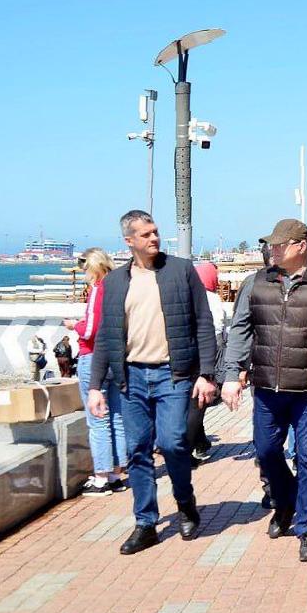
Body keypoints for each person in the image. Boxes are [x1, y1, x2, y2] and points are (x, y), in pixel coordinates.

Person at [88, 210, 218, 555]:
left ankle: (185, 504)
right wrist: (95, 386)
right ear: (129, 241)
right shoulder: (115, 282)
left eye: (155, 232)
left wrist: (207, 374)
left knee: (174, 442)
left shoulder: (180, 271)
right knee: (138, 451)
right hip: (130, 378)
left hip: (172, 375)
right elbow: (105, 335)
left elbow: (203, 322)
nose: (154, 239)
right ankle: (145, 523)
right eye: (145, 235)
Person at [220, 218, 307, 562]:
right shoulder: (257, 282)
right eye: (270, 244)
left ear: (300, 246)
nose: (272, 249)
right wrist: (232, 373)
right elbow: (240, 328)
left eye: (279, 244)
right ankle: (286, 502)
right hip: (267, 386)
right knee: (267, 451)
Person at [64, 248, 127, 496]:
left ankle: (101, 477)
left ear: (92, 268)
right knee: (117, 418)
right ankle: (116, 473)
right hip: (116, 358)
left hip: (93, 357)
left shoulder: (99, 290)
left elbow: (90, 329)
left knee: (97, 418)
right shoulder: (118, 288)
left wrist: (73, 326)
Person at [187, 261, 228, 464]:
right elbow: (219, 332)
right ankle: (189, 448)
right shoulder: (212, 299)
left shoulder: (187, 294)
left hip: (186, 357)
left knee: (192, 403)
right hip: (206, 357)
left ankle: (199, 442)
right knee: (198, 405)